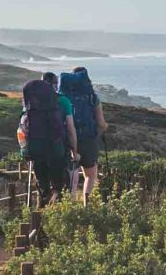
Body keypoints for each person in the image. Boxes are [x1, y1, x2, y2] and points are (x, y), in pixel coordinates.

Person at [19, 74, 75, 208]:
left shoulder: (30, 103)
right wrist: (75, 151)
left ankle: (40, 216)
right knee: (58, 185)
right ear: (55, 85)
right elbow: (71, 130)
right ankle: (57, 212)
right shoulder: (62, 101)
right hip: (56, 148)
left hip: (35, 149)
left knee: (42, 184)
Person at [60, 67, 108, 202]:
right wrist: (104, 128)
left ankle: (71, 203)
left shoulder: (62, 97)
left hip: (67, 140)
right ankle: (86, 204)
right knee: (90, 174)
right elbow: (101, 122)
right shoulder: (92, 97)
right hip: (88, 139)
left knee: (72, 174)